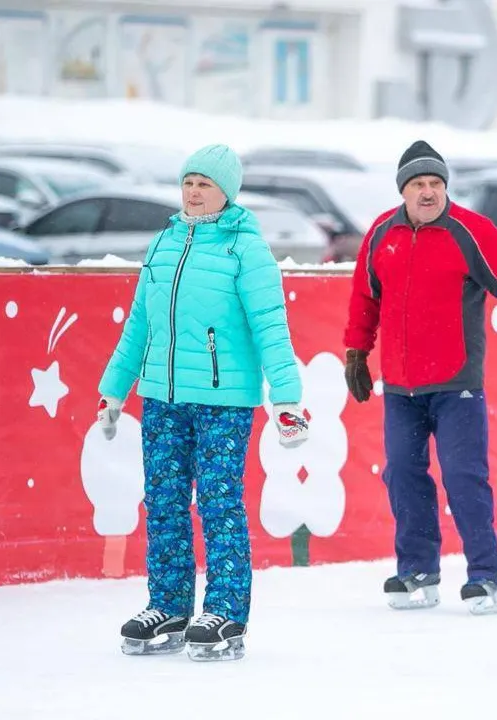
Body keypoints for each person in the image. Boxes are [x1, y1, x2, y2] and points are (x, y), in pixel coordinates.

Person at [95, 144, 309, 662]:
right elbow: (139, 324)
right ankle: (168, 603)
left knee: (217, 502)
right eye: (188, 181)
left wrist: (286, 399)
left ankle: (226, 610)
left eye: (205, 183)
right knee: (164, 501)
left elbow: (271, 329)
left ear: (226, 191)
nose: (193, 191)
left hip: (223, 400)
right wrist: (114, 387)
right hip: (162, 397)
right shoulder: (165, 242)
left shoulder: (246, 250)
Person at [342, 140, 497, 615]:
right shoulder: (381, 233)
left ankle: (485, 576)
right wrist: (357, 351)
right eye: (419, 184)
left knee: (463, 476)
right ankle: (418, 569)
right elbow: (364, 298)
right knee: (403, 474)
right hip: (400, 386)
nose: (429, 192)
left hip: (457, 383)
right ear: (404, 191)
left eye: (436, 183)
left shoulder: (468, 231)